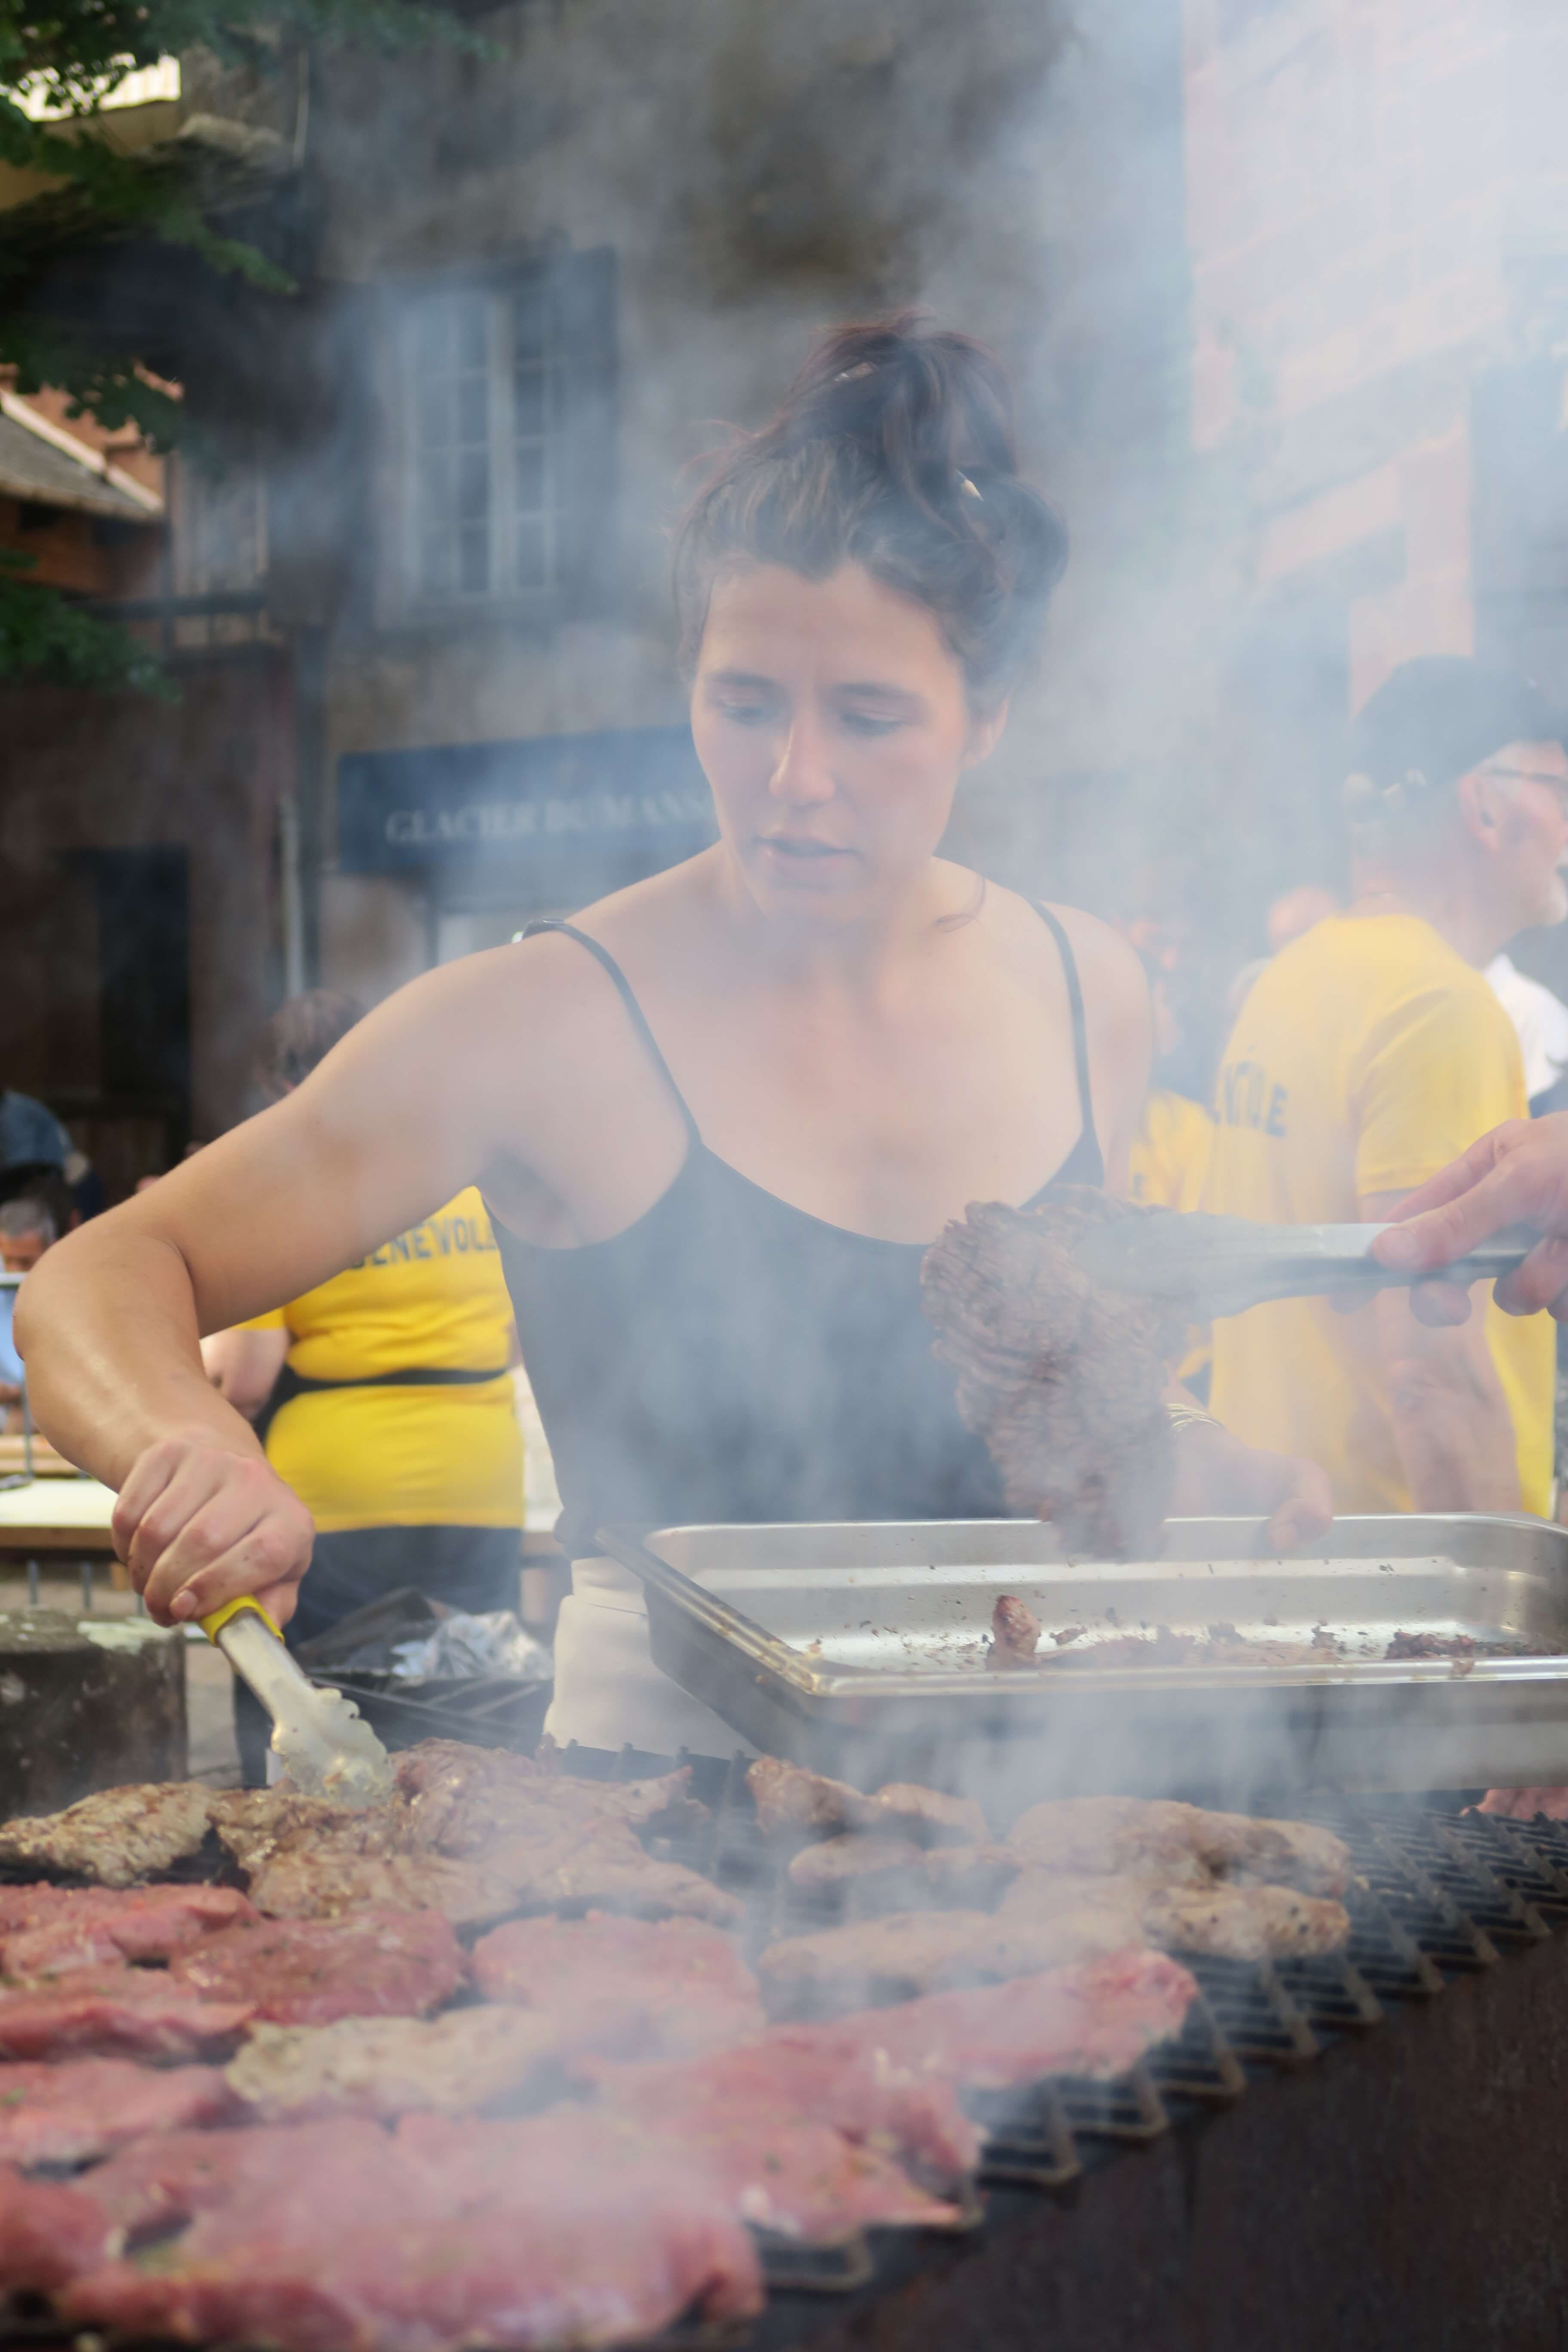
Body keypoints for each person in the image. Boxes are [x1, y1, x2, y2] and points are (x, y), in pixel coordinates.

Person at [15, 315, 1329, 1761]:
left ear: (988, 716)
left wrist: (1191, 1461)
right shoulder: (544, 1016)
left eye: (871, 715)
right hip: (665, 1812)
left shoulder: (1091, 989)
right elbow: (101, 1271)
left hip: (1040, 1795)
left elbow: (1051, 1405)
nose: (794, 778)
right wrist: (185, 1442)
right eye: (743, 702)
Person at [1205, 655, 1568, 1518]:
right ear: (1485, 802)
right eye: (1559, 786)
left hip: (1280, 1544)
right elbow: (1432, 1375)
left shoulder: (1294, 976)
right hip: (1392, 1576)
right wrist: (1495, 1614)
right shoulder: (1439, 1002)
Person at [201, 992, 525, 1781]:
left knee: (324, 1709)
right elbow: (518, 1339)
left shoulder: (286, 1182)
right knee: (472, 1706)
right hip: (479, 1479)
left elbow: (243, 1375)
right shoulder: (472, 1170)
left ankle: (311, 1875)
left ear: (285, 1086)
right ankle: (471, 1864)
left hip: (338, 1495)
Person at [0, 1197, 55, 1431]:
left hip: (53, 1417)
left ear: (50, 1248)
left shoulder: (71, 1292)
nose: (14, 1271)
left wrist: (19, 1396)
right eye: (8, 1260)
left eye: (24, 1262)